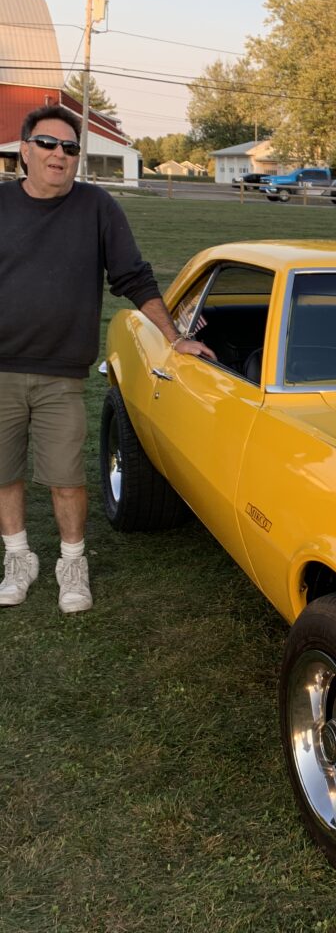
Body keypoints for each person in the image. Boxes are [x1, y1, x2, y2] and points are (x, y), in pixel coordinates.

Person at [0, 105, 213, 614]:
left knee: (66, 477)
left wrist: (174, 335)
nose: (59, 155)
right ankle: (18, 558)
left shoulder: (96, 208)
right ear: (24, 149)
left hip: (61, 375)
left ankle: (72, 563)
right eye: (48, 144)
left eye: (70, 148)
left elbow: (132, 277)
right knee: (4, 473)